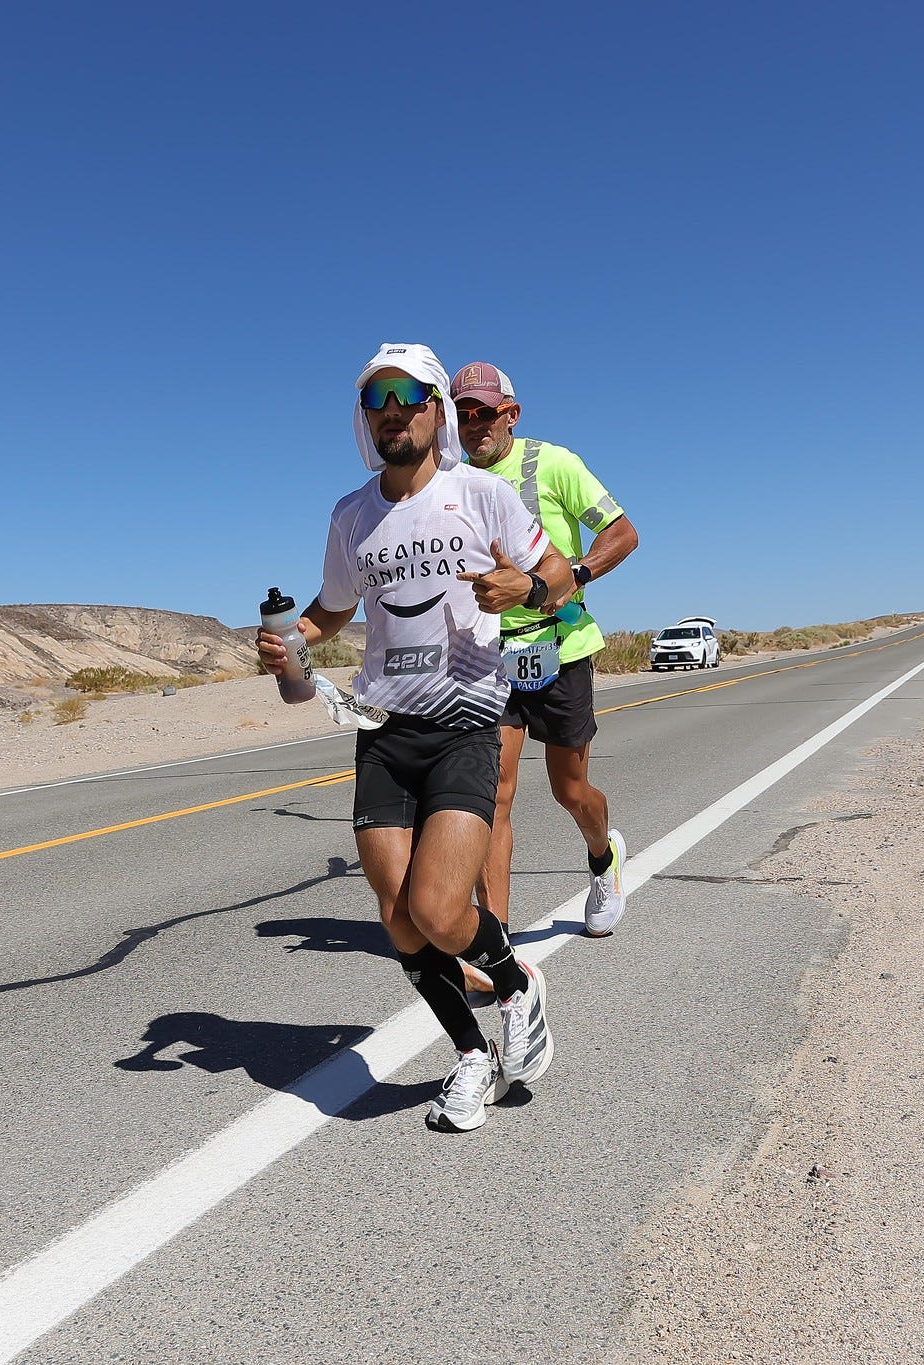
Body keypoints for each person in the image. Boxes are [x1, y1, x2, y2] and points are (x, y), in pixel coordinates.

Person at [258, 343, 574, 1132]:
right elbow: (334, 609)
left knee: (438, 908)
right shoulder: (351, 515)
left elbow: (560, 575)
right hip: (383, 731)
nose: (392, 408)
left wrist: (526, 586)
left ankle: (513, 982)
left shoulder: (482, 495)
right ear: (367, 419)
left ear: (435, 408)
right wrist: (292, 639)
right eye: (376, 398)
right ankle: (473, 1055)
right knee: (398, 919)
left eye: (407, 394)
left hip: (467, 719)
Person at [450, 361, 641, 950]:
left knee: (569, 789)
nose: (474, 424)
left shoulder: (553, 464)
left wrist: (573, 575)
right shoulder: (450, 481)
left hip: (559, 645)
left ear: (511, 412)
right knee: (495, 793)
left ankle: (603, 857)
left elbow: (623, 532)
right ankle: (496, 940)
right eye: (462, 413)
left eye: (484, 412)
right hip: (486, 656)